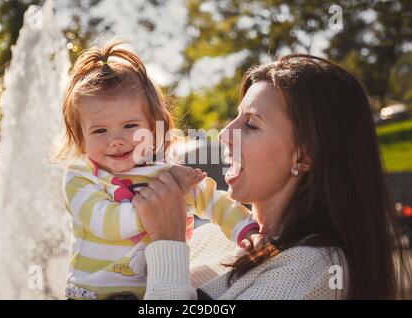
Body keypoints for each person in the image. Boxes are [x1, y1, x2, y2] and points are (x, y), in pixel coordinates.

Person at [133, 54, 412, 300]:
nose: (224, 134)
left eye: (251, 125)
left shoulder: (315, 269)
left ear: (304, 156)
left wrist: (167, 242)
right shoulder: (216, 235)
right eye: (236, 117)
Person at [58, 40, 259, 300]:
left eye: (130, 126)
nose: (116, 140)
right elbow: (106, 223)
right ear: (81, 137)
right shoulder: (81, 177)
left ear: (153, 128)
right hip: (93, 295)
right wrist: (167, 205)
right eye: (99, 130)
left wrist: (247, 231)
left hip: (155, 294)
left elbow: (213, 200)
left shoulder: (165, 173)